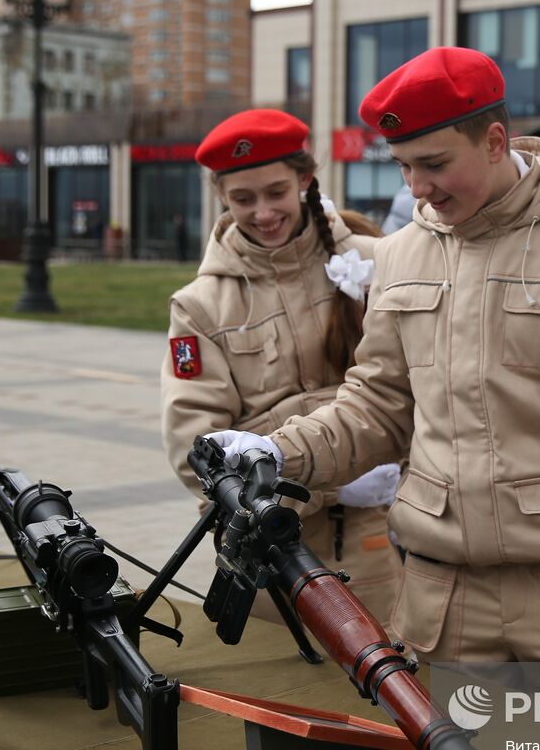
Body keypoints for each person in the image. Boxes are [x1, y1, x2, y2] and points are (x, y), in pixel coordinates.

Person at [211, 48, 540, 665]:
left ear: (495, 140)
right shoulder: (400, 255)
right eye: (402, 167)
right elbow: (378, 406)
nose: (417, 187)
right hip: (437, 602)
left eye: (435, 163)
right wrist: (282, 450)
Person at [159, 108, 402, 625]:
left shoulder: (376, 261)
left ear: (305, 180)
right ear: (221, 196)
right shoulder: (200, 306)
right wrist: (337, 480)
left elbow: (427, 388)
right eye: (243, 199)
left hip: (377, 545)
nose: (263, 212)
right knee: (278, 700)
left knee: (393, 693)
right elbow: (198, 455)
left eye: (276, 192)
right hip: (269, 562)